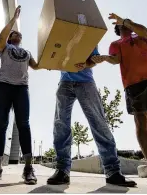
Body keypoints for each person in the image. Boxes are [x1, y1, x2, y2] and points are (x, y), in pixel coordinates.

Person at [47, 47, 137, 187]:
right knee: (60, 125)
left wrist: (87, 64)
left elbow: (93, 60)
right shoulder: (62, 31)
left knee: (99, 123)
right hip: (64, 82)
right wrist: (49, 62)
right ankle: (62, 171)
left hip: (85, 82)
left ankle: (112, 172)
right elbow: (53, 55)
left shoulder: (89, 33)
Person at [91, 13, 147, 189]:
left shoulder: (140, 35)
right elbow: (116, 60)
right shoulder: (116, 44)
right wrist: (104, 58)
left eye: (127, 23)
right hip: (134, 85)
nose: (126, 26)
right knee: (142, 124)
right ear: (118, 29)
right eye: (122, 25)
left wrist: (127, 21)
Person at [0, 6, 40, 185]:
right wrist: (14, 20)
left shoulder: (27, 52)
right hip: (4, 87)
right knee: (1, 124)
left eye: (19, 34)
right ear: (10, 37)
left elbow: (37, 66)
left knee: (24, 124)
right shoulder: (4, 46)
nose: (18, 34)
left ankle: (28, 168)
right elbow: (1, 37)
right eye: (14, 33)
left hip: (22, 89)